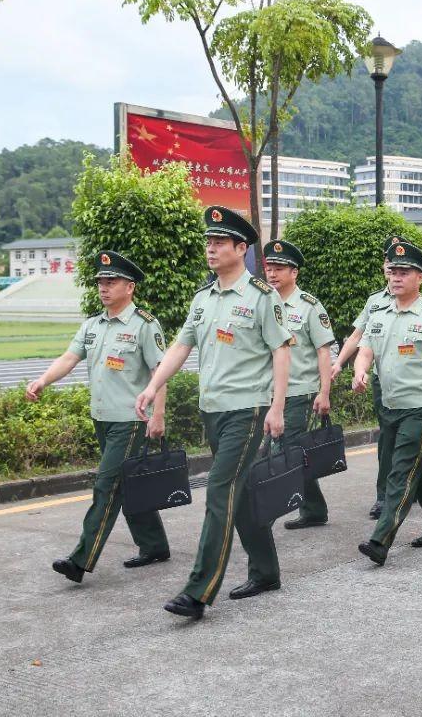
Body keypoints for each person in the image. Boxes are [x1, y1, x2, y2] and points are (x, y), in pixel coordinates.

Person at [135, 206, 292, 619]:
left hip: (249, 409)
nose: (211, 248)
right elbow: (180, 347)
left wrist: (276, 407)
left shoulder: (261, 298)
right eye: (208, 242)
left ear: (241, 248)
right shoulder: (202, 298)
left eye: (219, 242)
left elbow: (281, 351)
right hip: (214, 409)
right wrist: (152, 386)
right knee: (239, 495)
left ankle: (198, 590)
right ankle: (266, 571)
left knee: (220, 491)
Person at [29, 251, 170, 584]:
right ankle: (154, 545)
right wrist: (43, 380)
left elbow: (160, 371)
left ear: (130, 287)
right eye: (101, 283)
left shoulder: (145, 326)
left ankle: (81, 559)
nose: (104, 288)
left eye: (112, 282)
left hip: (131, 420)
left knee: (106, 486)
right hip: (102, 418)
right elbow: (69, 357)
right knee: (129, 483)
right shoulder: (92, 324)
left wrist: (158, 414)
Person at [353, 241, 422, 565]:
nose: (396, 277)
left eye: (404, 272)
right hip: (390, 406)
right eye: (393, 272)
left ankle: (380, 540)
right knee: (418, 469)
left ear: (420, 278)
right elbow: (366, 349)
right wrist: (359, 371)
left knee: (400, 473)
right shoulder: (379, 315)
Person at [260, 240, 336, 532]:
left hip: (299, 392)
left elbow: (323, 351)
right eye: (269, 268)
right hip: (267, 393)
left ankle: (274, 508)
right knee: (288, 452)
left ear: (294, 272)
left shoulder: (309, 307)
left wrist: (324, 391)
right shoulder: (263, 303)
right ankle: (314, 508)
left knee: (285, 452)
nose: (272, 274)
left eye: (279, 268)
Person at [332, 257, 394, 519]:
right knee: (388, 439)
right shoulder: (375, 301)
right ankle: (384, 495)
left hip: (415, 386)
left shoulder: (421, 304)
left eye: (401, 264)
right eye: (390, 263)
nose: (393, 269)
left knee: (409, 441)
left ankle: (411, 487)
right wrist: (339, 363)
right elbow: (358, 336)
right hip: (383, 381)